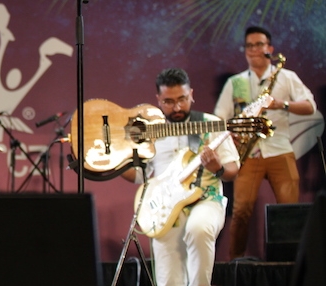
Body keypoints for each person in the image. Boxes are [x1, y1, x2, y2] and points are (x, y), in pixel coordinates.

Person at [121, 68, 240, 286]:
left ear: (191, 94)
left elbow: (232, 170)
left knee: (199, 229)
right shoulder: (151, 132)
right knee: (168, 280)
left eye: (182, 99)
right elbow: (139, 175)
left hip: (206, 199)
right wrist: (115, 163)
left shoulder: (210, 123)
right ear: (158, 99)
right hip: (166, 207)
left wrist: (217, 167)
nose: (177, 107)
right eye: (168, 101)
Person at [214, 26, 316, 260]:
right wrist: (233, 134)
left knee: (290, 212)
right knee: (240, 212)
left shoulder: (286, 77)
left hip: (280, 150)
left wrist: (281, 104)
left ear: (269, 49)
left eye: (259, 45)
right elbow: (220, 118)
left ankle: (291, 263)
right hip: (249, 154)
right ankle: (236, 264)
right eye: (249, 46)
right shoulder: (235, 82)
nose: (254, 50)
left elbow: (310, 106)